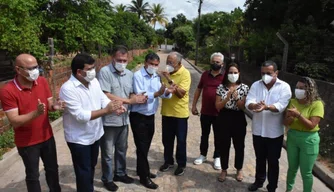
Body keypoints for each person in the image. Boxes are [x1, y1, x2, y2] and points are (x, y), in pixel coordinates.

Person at [59, 53, 123, 192]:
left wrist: (114, 107)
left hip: (95, 134)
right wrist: (106, 111)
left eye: (94, 67)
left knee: (92, 166)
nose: (93, 71)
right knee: (83, 171)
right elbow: (80, 116)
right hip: (79, 139)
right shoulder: (68, 89)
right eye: (90, 69)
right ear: (79, 72)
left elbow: (102, 99)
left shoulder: (94, 82)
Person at [0, 54, 62, 192]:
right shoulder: (8, 91)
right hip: (27, 143)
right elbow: (14, 121)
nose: (35, 70)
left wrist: (55, 106)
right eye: (31, 68)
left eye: (36, 67)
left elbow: (49, 104)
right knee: (33, 175)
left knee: (52, 169)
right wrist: (35, 113)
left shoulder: (42, 81)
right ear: (18, 69)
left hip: (47, 136)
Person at [97, 45, 147, 191]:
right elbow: (105, 94)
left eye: (125, 60)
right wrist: (128, 101)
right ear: (113, 58)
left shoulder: (129, 74)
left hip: (124, 119)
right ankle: (107, 178)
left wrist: (135, 98)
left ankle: (120, 173)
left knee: (122, 149)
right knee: (107, 152)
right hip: (109, 119)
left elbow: (131, 93)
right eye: (119, 59)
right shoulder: (105, 72)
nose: (122, 62)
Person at [130, 53, 175, 189]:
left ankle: (141, 170)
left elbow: (162, 93)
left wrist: (167, 92)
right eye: (151, 64)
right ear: (145, 63)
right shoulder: (138, 76)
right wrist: (157, 94)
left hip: (150, 116)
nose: (154, 67)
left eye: (156, 65)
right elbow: (140, 96)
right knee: (142, 147)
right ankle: (144, 178)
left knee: (145, 146)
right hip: (139, 116)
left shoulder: (156, 76)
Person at [245, 60, 292, 192]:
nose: (265, 75)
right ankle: (258, 181)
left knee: (273, 161)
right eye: (263, 73)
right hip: (258, 130)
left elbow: (281, 106)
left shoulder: (284, 87)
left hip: (274, 132)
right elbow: (249, 101)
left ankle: (272, 186)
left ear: (276, 73)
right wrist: (254, 105)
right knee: (259, 158)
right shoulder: (256, 85)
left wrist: (266, 107)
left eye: (269, 73)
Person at [284, 77, 324, 192]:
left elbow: (311, 125)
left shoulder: (317, 104)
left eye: (302, 88)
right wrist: (289, 118)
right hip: (293, 137)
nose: (298, 90)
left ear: (309, 90)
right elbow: (285, 122)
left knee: (306, 172)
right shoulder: (292, 102)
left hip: (308, 140)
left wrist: (298, 115)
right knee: (292, 168)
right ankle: (288, 189)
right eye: (297, 87)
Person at [215, 63, 249, 182]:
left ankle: (239, 168)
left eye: (235, 72)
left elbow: (242, 107)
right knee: (224, 145)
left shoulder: (244, 88)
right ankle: (224, 169)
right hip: (224, 116)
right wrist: (227, 97)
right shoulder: (221, 87)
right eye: (230, 72)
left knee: (239, 145)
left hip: (238, 118)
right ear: (226, 73)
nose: (233, 75)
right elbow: (218, 106)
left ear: (239, 73)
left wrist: (235, 97)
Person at [159, 52, 191, 176]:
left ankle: (181, 164)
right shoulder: (165, 74)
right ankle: (168, 161)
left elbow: (181, 94)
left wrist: (169, 79)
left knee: (181, 140)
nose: (168, 65)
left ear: (179, 63)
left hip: (180, 113)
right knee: (167, 139)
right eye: (167, 62)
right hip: (167, 112)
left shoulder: (185, 73)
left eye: (171, 62)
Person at [192, 52, 225, 170]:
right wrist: (194, 105)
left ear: (222, 64)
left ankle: (217, 156)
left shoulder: (225, 76)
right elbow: (198, 89)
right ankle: (203, 154)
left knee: (218, 136)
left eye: (218, 62)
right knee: (204, 135)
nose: (215, 64)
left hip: (219, 113)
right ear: (210, 62)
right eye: (213, 61)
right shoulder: (205, 75)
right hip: (205, 111)